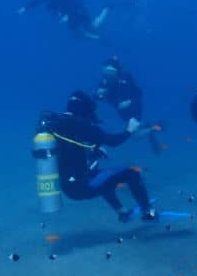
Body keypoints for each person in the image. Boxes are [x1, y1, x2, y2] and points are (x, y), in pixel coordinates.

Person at [37, 91, 156, 222]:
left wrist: (94, 150)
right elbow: (113, 141)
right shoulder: (82, 124)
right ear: (85, 109)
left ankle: (122, 212)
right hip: (84, 186)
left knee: (102, 176)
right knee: (132, 174)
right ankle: (148, 213)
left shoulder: (57, 124)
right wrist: (130, 130)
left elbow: (69, 151)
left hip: (68, 188)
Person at [94, 56, 162, 153]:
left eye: (111, 71)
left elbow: (138, 93)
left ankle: (156, 129)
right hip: (120, 110)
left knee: (135, 134)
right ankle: (152, 129)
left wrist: (129, 102)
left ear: (117, 71)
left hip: (134, 108)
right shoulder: (104, 80)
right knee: (136, 132)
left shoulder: (126, 77)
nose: (108, 74)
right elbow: (99, 97)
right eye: (106, 71)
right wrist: (98, 94)